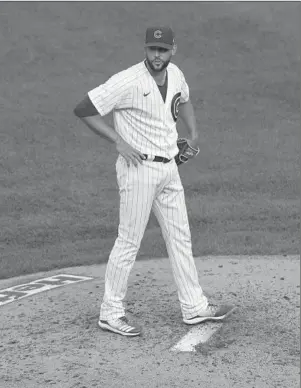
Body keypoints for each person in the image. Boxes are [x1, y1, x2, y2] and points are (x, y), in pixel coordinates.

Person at [74, 26, 236, 337]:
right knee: (129, 242)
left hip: (169, 170)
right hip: (138, 171)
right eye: (152, 50)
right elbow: (84, 109)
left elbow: (183, 100)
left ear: (172, 49)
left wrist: (192, 133)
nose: (157, 55)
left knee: (180, 237)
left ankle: (194, 306)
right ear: (145, 50)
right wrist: (118, 141)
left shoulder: (175, 74)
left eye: (162, 50)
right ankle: (110, 312)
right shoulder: (128, 81)